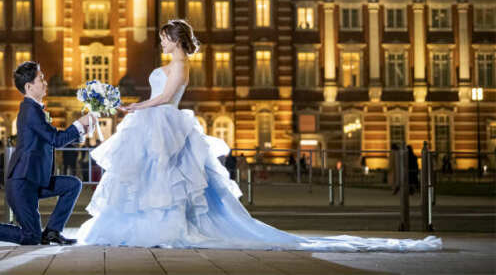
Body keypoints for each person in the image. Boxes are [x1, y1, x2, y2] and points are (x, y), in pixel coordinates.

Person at [77, 19, 440, 251]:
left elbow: (165, 97)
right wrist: (137, 106)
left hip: (162, 121)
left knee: (164, 179)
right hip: (158, 121)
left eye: (165, 38)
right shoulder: (174, 64)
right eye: (162, 38)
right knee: (154, 179)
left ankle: (161, 227)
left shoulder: (181, 65)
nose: (162, 42)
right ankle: (151, 225)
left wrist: (135, 107)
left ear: (176, 40)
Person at [0, 61, 94, 246]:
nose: (45, 83)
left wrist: (81, 131)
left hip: (35, 180)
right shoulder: (30, 111)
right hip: (22, 184)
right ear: (28, 86)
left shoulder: (34, 110)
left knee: (72, 185)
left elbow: (51, 138)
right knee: (31, 237)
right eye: (41, 79)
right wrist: (79, 124)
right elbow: (56, 139)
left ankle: (52, 231)